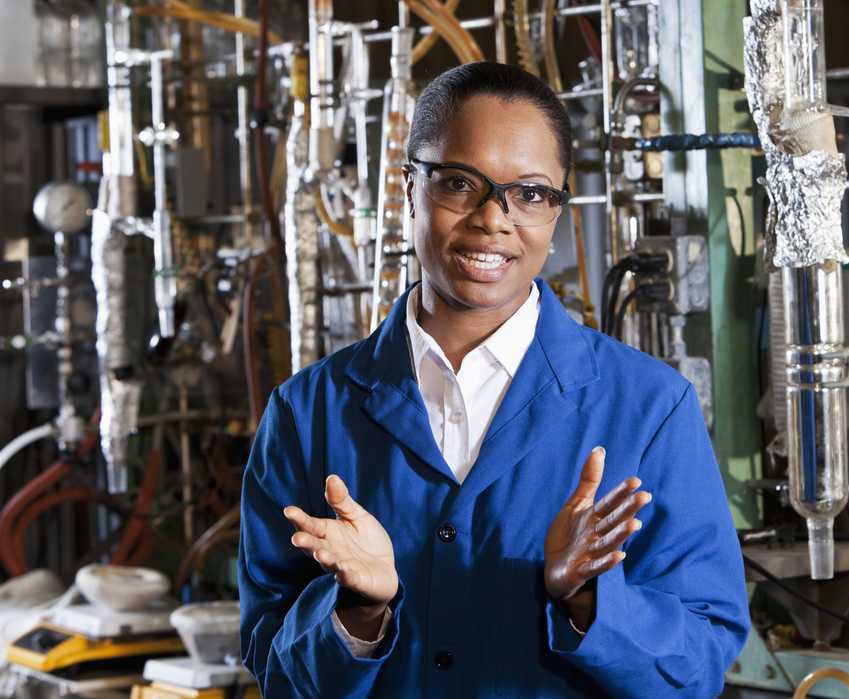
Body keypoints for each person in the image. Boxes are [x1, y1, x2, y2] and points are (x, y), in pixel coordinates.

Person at [238, 61, 749, 698]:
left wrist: (590, 600)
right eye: (459, 183)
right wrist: (357, 613)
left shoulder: (648, 407)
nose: (493, 218)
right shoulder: (308, 412)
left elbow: (701, 662)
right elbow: (269, 660)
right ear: (409, 187)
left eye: (530, 193)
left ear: (559, 207)